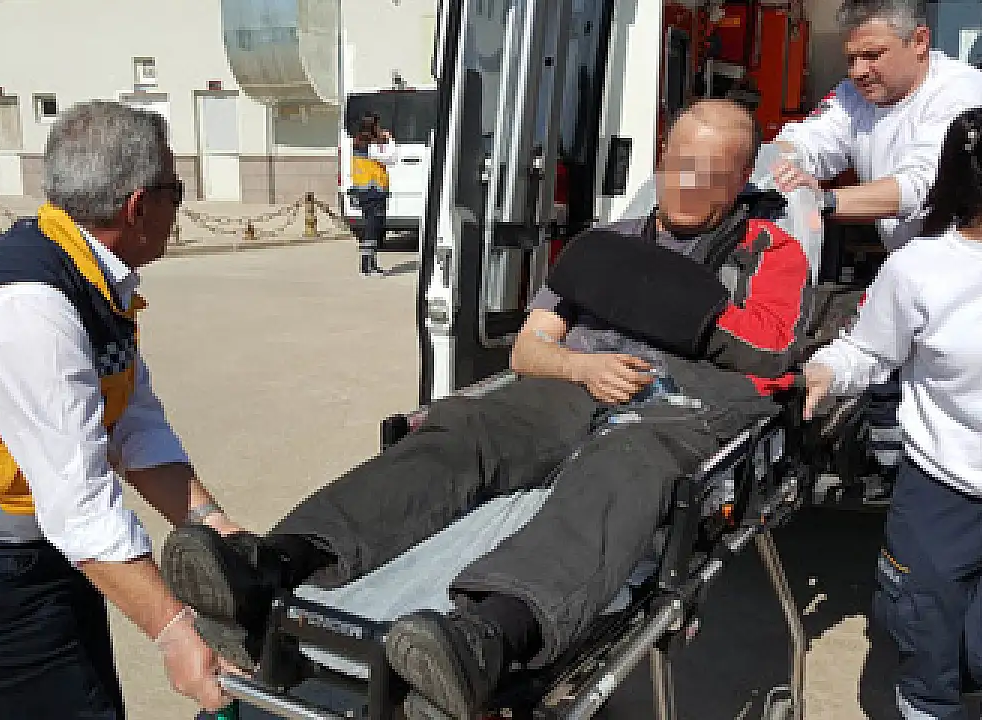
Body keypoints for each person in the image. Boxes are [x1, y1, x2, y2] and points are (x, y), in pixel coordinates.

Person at [162, 99, 812, 718]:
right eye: (681, 163)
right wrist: (581, 367)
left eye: (713, 173)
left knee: (627, 464)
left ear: (741, 181)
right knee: (466, 428)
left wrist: (670, 306)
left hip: (680, 408)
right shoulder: (605, 246)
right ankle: (275, 563)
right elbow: (530, 350)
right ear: (662, 156)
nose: (690, 183)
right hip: (577, 382)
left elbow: (770, 354)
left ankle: (487, 636)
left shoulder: (770, 253)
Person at [0, 101, 243, 718]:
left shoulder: (86, 276)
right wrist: (177, 633)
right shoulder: (24, 307)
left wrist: (213, 526)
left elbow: (132, 423)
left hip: (32, 553)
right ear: (137, 206)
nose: (179, 208)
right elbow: (80, 501)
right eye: (175, 192)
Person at [803, 99, 982, 719]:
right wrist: (826, 371)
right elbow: (869, 350)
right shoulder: (921, 270)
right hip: (941, 498)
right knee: (928, 662)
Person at [770, 0, 982, 493]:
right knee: (886, 374)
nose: (859, 71)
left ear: (919, 41)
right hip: (915, 268)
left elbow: (923, 186)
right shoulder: (856, 95)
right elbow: (808, 141)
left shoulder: (962, 94)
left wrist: (824, 202)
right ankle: (893, 469)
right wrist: (780, 164)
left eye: (873, 55)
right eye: (851, 58)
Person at [349, 111, 397, 276]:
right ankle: (367, 266)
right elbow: (391, 158)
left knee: (372, 228)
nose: (380, 128)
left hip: (366, 191)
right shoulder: (369, 145)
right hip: (373, 191)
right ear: (372, 126)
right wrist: (390, 140)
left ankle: (369, 264)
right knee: (373, 228)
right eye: (377, 125)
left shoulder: (360, 142)